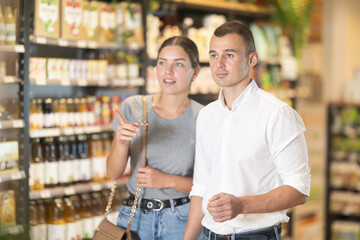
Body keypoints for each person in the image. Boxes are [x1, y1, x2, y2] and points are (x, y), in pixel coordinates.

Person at [184, 21, 311, 240]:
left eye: (229, 55)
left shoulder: (277, 114)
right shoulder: (206, 116)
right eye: (214, 55)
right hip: (208, 235)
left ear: (252, 59)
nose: (219, 64)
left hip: (256, 236)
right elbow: (201, 187)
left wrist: (241, 205)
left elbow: (299, 189)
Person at [107, 36, 203, 240]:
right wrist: (121, 142)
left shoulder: (204, 117)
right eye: (162, 63)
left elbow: (211, 185)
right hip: (135, 219)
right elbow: (113, 173)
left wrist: (167, 180)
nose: (168, 72)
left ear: (195, 72)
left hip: (181, 220)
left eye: (178, 64)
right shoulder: (133, 107)